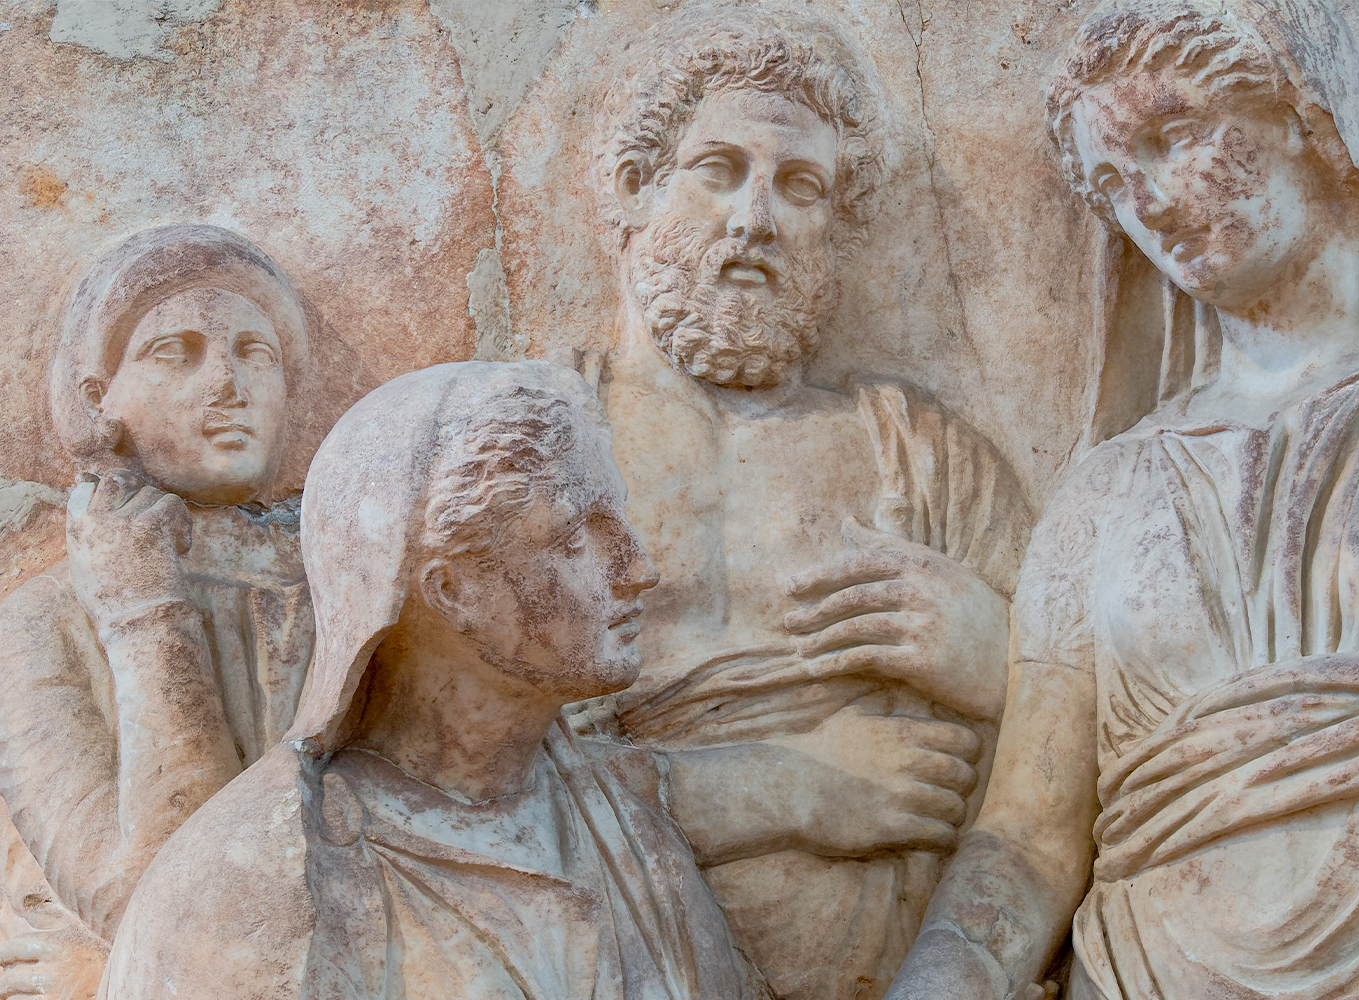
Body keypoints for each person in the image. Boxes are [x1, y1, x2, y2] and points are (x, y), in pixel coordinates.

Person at [886, 2, 1359, 999]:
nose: (1148, 201)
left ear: (1304, 116)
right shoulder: (1102, 493)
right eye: (1108, 183)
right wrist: (945, 969)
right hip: (1150, 966)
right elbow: (1028, 838)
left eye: (1168, 139)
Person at [578, 14, 1036, 999]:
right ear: (631, 190)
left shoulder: (921, 457)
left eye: (800, 186)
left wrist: (994, 652)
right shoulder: (538, 451)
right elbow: (441, 775)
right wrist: (785, 785)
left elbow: (1078, 753)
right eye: (718, 168)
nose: (757, 218)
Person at [102, 360, 771, 999]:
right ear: (450, 590)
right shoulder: (263, 877)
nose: (637, 567)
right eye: (574, 536)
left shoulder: (632, 843)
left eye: (618, 520)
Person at [0, 225, 315, 998]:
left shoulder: (342, 590)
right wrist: (142, 605)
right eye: (175, 352)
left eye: (256, 353)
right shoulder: (40, 622)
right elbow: (145, 890)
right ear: (96, 397)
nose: (229, 385)